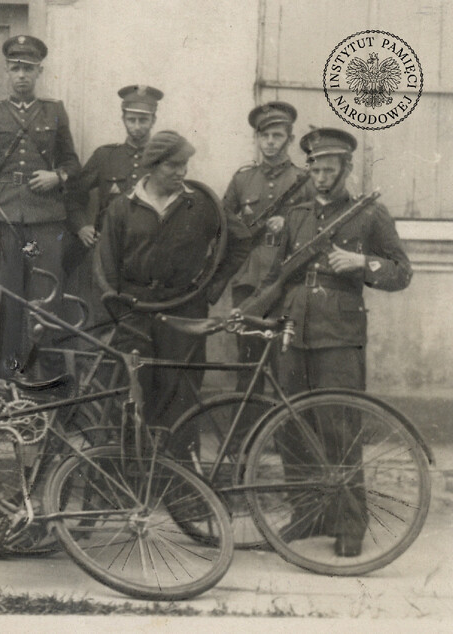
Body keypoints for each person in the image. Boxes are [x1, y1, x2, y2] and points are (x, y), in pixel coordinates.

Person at [256, 127, 412, 557]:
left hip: (340, 336)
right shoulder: (298, 214)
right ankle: (308, 513)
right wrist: (262, 317)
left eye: (329, 169)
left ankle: (348, 524)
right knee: (291, 425)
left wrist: (363, 262)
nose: (321, 177)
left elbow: (401, 272)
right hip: (293, 329)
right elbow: (277, 276)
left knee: (339, 426)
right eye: (315, 168)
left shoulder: (368, 215)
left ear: (345, 169)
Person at [95, 131, 251, 432]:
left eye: (185, 165)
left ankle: (179, 477)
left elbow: (241, 240)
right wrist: (118, 315)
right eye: (173, 166)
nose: (182, 172)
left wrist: (209, 289)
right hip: (134, 315)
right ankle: (130, 475)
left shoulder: (202, 204)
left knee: (181, 398)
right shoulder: (122, 208)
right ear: (151, 166)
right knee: (131, 397)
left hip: (184, 313)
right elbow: (107, 267)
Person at [0, 35, 81, 378]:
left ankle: (44, 380)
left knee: (46, 298)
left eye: (28, 69)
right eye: (15, 68)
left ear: (39, 71)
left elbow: (73, 164)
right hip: (4, 220)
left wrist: (57, 176)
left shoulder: (55, 112)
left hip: (46, 222)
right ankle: (5, 379)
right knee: (6, 299)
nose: (21, 75)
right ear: (6, 72)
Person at [223, 101, 309, 392]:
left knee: (287, 366)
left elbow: (317, 227)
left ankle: (285, 437)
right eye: (264, 136)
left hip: (287, 280)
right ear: (256, 138)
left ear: (290, 139)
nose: (270, 142)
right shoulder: (242, 179)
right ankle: (245, 437)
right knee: (248, 364)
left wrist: (289, 225)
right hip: (249, 279)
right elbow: (223, 223)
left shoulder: (303, 181)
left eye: (277, 136)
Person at [68, 85, 163, 327]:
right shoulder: (105, 156)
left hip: (148, 253)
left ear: (154, 120)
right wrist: (81, 226)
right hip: (107, 251)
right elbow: (73, 196)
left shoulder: (164, 161)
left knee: (142, 321)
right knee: (104, 317)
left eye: (143, 119)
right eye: (132, 119)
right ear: (123, 119)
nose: (137, 126)